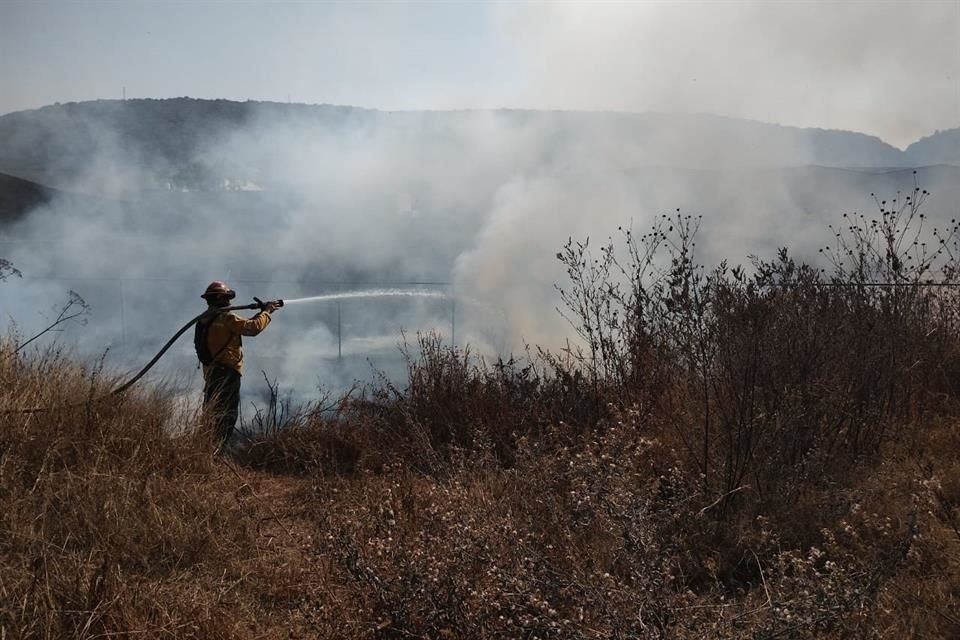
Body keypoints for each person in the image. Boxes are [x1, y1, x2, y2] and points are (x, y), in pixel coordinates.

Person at [196, 280, 279, 448]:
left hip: (212, 373)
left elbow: (242, 326)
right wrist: (267, 312)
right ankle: (217, 452)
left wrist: (261, 312)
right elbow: (252, 328)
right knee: (226, 415)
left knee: (211, 412)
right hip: (227, 373)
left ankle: (205, 449)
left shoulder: (204, 319)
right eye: (226, 297)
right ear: (219, 298)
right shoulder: (226, 317)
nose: (229, 301)